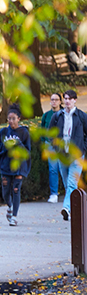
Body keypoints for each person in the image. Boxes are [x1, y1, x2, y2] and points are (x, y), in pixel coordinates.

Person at [0, 106, 31, 226]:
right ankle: (10, 206)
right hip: (6, 166)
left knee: (16, 190)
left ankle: (14, 216)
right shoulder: (3, 132)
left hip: (19, 167)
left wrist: (18, 143)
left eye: (13, 118)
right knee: (5, 191)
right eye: (9, 118)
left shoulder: (24, 132)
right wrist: (6, 146)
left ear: (19, 119)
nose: (11, 121)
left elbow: (27, 152)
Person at [55, 90, 87, 221]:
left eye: (70, 98)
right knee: (67, 183)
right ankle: (72, 208)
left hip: (77, 155)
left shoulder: (81, 116)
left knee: (72, 183)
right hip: (63, 154)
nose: (67, 101)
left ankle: (66, 208)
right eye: (65, 98)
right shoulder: (58, 116)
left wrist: (83, 147)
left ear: (75, 100)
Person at [42, 92, 64, 203]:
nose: (54, 102)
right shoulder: (46, 115)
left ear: (60, 101)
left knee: (65, 169)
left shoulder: (65, 114)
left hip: (62, 144)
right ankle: (54, 194)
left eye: (56, 99)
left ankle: (69, 191)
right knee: (53, 169)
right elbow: (42, 130)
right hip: (49, 144)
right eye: (52, 99)